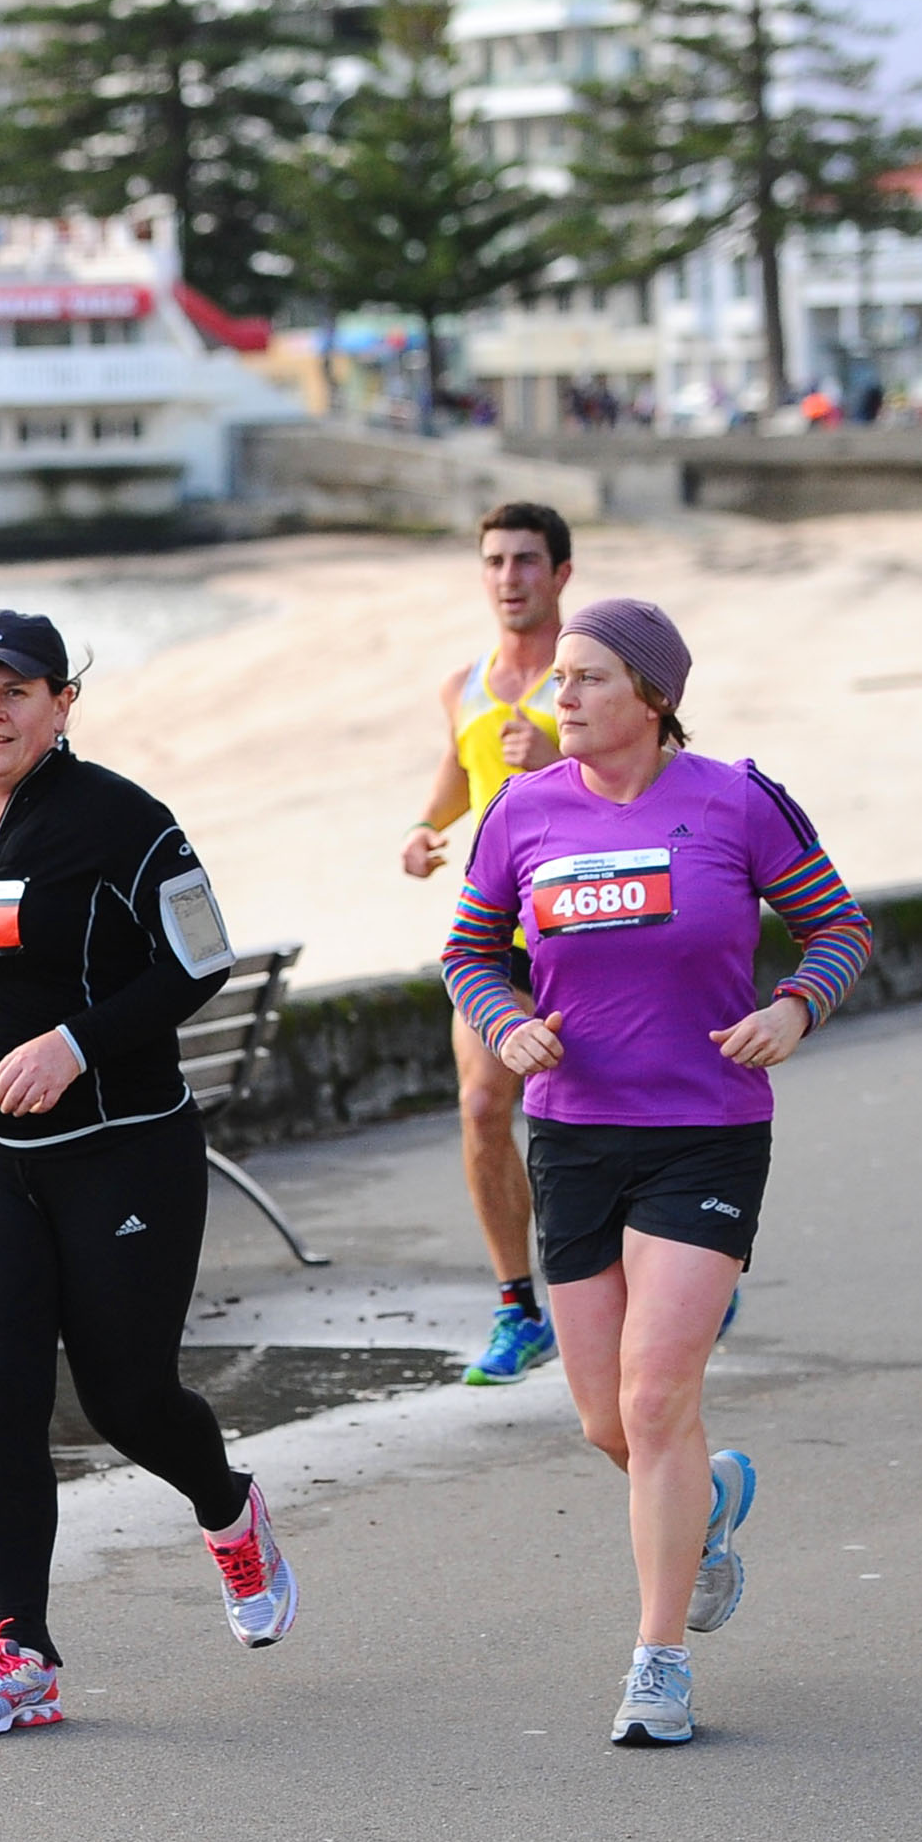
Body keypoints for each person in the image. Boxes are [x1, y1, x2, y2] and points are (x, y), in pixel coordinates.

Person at [0, 610, 297, 1738]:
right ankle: (22, 1652)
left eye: (14, 692)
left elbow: (200, 959)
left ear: (60, 703)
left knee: (126, 1398)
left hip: (122, 1144)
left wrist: (76, 1041)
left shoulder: (122, 820)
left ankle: (228, 1508)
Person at [442, 598, 869, 1747]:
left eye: (583, 679)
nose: (557, 699)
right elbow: (467, 949)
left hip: (704, 1128)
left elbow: (837, 929)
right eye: (557, 679)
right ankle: (707, 1500)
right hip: (575, 1135)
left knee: (651, 1393)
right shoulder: (521, 813)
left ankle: (658, 1661)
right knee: (602, 1418)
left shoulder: (733, 798)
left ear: (652, 694)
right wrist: (506, 1015)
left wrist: (793, 1004)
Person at [402, 502, 570, 1385]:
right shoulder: (462, 685)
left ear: (560, 576)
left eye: (527, 561)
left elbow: (647, 776)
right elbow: (457, 766)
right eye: (496, 562)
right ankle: (517, 1307)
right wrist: (426, 828)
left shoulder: (591, 677)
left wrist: (557, 757)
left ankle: (677, 1264)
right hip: (493, 931)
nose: (509, 578)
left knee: (600, 1111)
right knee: (479, 1107)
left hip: (588, 926)